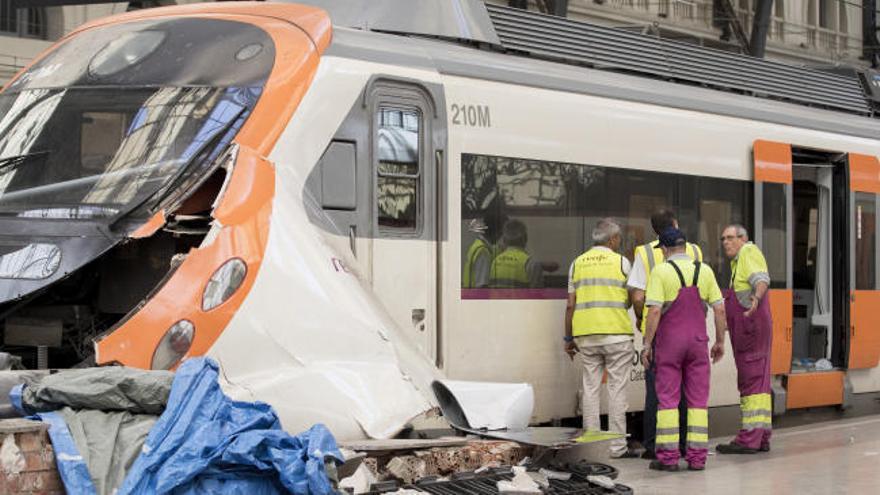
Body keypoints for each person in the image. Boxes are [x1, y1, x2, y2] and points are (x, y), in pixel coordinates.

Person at [641, 227, 727, 471]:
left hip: (670, 345)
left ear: (665, 249)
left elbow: (655, 311)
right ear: (686, 247)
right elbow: (720, 309)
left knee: (668, 399)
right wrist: (720, 341)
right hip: (699, 344)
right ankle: (697, 458)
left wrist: (647, 344)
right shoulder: (705, 270)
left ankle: (668, 459)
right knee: (698, 401)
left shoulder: (661, 271)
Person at [628, 209, 702, 459]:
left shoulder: (645, 252)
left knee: (658, 390)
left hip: (661, 331)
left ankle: (654, 445)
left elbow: (638, 297)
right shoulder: (696, 251)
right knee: (687, 390)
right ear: (676, 225)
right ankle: (684, 445)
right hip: (693, 330)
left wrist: (642, 318)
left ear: (655, 231)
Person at [563, 219, 639, 458]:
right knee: (617, 391)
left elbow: (570, 306)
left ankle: (591, 446)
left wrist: (568, 338)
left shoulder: (577, 264)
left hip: (585, 336)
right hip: (616, 334)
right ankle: (617, 448)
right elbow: (632, 297)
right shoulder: (622, 262)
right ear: (613, 240)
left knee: (590, 389)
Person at [716, 224, 773, 454]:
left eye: (730, 238)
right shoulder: (737, 262)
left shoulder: (749, 252)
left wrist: (756, 298)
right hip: (749, 331)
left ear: (742, 239)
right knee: (759, 384)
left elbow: (761, 279)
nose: (725, 243)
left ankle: (749, 439)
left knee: (752, 383)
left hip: (752, 331)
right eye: (723, 239)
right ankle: (761, 437)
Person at [489, 219, 543, 288]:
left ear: (504, 240)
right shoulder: (531, 264)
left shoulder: (495, 262)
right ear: (525, 238)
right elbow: (537, 295)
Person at [463, 208, 506, 288]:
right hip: (476, 298)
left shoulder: (478, 245)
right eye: (502, 233)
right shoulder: (483, 252)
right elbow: (481, 285)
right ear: (497, 232)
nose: (501, 237)